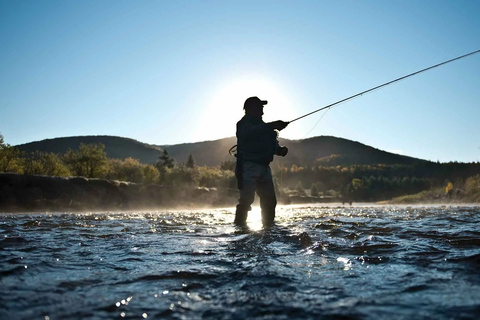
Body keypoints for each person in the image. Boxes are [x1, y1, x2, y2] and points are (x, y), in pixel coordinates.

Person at [234, 96, 289, 226]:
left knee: (270, 201)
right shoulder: (243, 124)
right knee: (246, 200)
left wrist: (280, 150)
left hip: (265, 168)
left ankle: (268, 228)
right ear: (250, 109)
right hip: (248, 167)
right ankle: (239, 229)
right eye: (260, 108)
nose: (262, 111)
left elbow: (272, 145)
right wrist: (272, 126)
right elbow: (249, 133)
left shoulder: (265, 127)